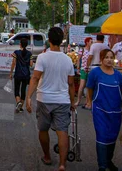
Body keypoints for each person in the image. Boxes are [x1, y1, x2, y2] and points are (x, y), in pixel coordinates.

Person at [26, 27, 75, 169]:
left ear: (49, 40)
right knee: (62, 132)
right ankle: (62, 164)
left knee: (43, 130)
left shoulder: (42, 57)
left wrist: (29, 97)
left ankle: (47, 156)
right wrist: (72, 102)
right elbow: (71, 84)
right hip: (62, 100)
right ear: (61, 41)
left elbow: (35, 78)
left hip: (44, 99)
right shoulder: (68, 60)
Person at [86, 49, 122, 171]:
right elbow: (90, 88)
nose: (109, 60)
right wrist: (90, 102)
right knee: (102, 136)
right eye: (106, 57)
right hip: (100, 111)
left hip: (115, 112)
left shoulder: (118, 75)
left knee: (112, 137)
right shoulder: (95, 73)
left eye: (111, 57)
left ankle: (108, 160)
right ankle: (102, 165)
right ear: (101, 59)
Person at [9, 37, 33, 113]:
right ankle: (21, 107)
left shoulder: (16, 52)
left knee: (16, 90)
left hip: (18, 74)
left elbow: (13, 63)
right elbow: (31, 64)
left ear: (20, 44)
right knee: (23, 90)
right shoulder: (30, 54)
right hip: (26, 75)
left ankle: (18, 102)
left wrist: (11, 73)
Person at [74, 37, 93, 108]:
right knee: (81, 86)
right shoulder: (82, 50)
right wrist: (78, 68)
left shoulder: (92, 50)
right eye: (91, 42)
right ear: (87, 42)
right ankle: (78, 100)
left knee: (89, 86)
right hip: (83, 69)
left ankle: (87, 101)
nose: (92, 43)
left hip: (90, 70)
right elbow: (79, 59)